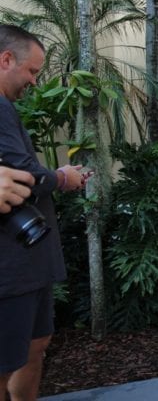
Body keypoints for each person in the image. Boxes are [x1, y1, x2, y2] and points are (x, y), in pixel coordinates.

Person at [0, 25, 87, 401]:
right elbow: (27, 175)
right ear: (6, 60)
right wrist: (63, 177)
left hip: (30, 260)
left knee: (36, 345)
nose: (34, 82)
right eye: (32, 71)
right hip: (11, 265)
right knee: (5, 360)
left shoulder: (7, 108)